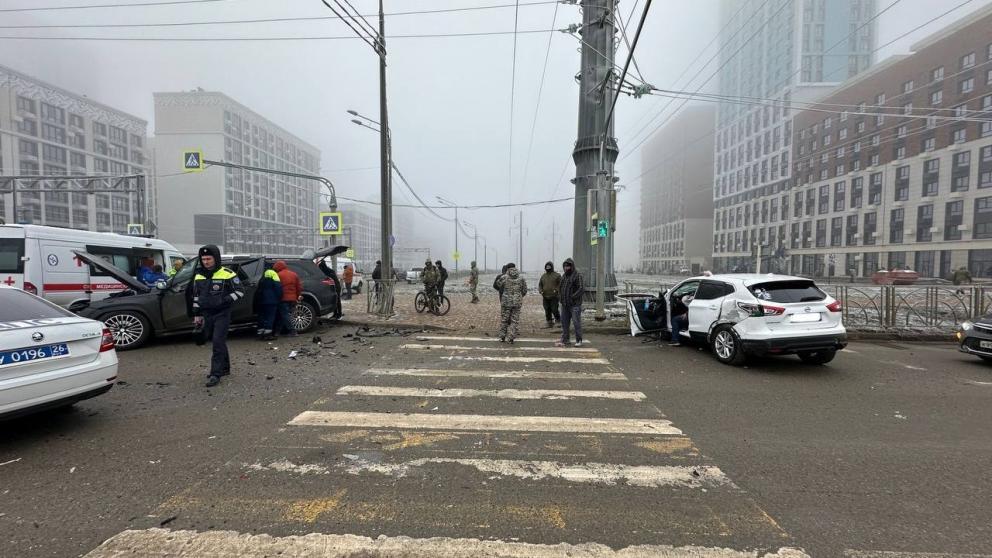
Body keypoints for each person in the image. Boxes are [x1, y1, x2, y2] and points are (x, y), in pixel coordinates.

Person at [187, 245, 245, 387]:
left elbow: (240, 291)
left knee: (217, 341)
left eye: (209, 259)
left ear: (216, 258)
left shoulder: (227, 273)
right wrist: (197, 315)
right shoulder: (199, 275)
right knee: (216, 341)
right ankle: (225, 368)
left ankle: (215, 374)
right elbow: (196, 296)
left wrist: (224, 300)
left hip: (222, 313)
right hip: (206, 314)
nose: (206, 262)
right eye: (203, 259)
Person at [495, 264, 527, 343]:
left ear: (508, 269)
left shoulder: (504, 277)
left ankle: (502, 337)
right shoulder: (521, 278)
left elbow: (497, 285)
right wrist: (518, 296)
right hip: (517, 302)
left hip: (506, 302)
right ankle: (511, 338)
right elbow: (524, 290)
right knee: (514, 320)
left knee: (504, 319)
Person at [557, 258, 585, 347]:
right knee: (564, 323)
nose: (566, 268)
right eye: (565, 266)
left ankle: (579, 340)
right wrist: (560, 297)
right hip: (564, 304)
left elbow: (581, 289)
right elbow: (560, 288)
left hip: (574, 305)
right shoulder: (564, 276)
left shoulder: (577, 275)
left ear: (572, 266)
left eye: (568, 266)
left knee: (576, 323)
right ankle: (565, 339)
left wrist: (572, 297)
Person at [273, 260, 303, 337]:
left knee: (285, 315)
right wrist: (298, 296)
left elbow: (276, 287)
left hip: (283, 299)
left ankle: (293, 331)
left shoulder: (278, 275)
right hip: (293, 299)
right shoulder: (294, 274)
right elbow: (298, 287)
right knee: (283, 315)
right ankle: (277, 332)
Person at [255, 263, 282, 341]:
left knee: (261, 317)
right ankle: (267, 335)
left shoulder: (261, 275)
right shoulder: (273, 274)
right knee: (270, 317)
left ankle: (260, 333)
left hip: (261, 300)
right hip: (271, 300)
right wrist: (279, 297)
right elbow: (278, 287)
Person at [538, 261, 562, 328]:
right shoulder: (543, 276)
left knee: (554, 309)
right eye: (547, 267)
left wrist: (556, 290)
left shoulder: (557, 275)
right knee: (547, 309)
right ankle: (549, 322)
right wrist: (541, 291)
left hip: (554, 296)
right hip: (545, 296)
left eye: (549, 266)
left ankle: (558, 321)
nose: (548, 268)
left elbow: (560, 284)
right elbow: (540, 285)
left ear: (552, 267)